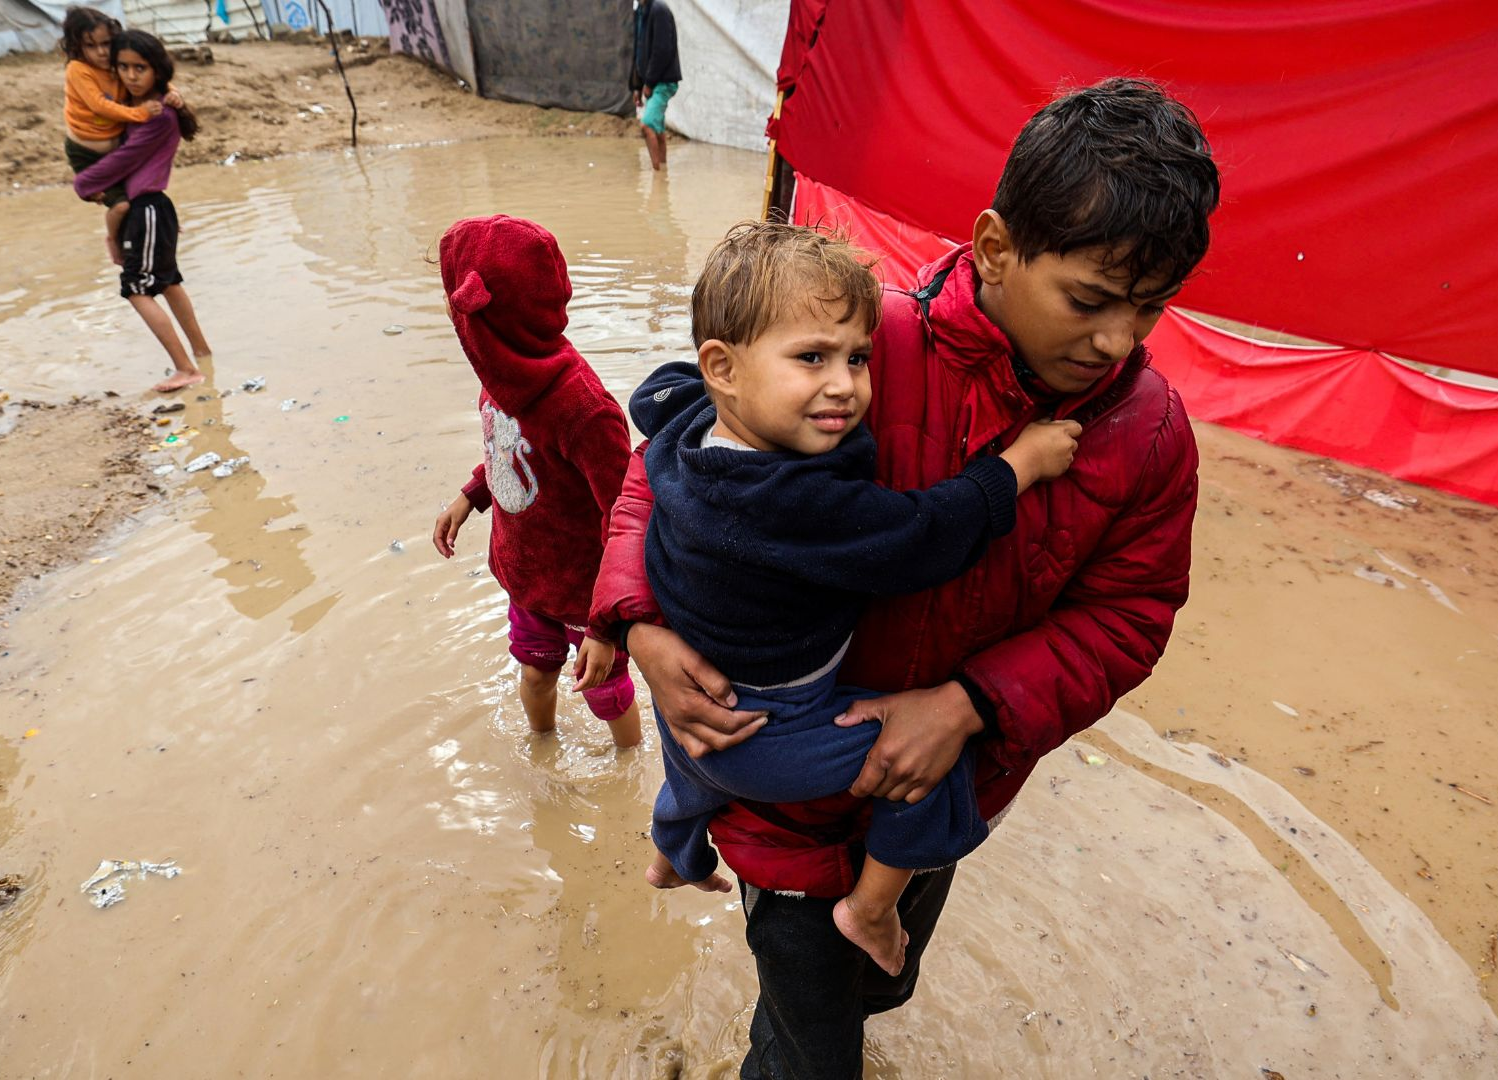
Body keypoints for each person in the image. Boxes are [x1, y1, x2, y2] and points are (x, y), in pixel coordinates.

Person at [589, 77, 1219, 1077]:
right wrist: (638, 624)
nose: (1118, 341)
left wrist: (971, 704)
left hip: (951, 782)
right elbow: (672, 466)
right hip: (785, 796)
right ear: (998, 248)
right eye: (1091, 301)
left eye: (1150, 309)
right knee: (806, 1038)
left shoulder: (1147, 438)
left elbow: (1130, 616)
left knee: (880, 981)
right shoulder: (857, 348)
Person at [632, 222, 1083, 977]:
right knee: (932, 764)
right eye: (812, 357)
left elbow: (654, 393)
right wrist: (1020, 464)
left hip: (688, 701)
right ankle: (869, 911)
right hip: (770, 727)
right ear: (724, 368)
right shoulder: (782, 500)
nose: (845, 384)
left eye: (859, 357)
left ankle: (671, 852)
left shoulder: (687, 421)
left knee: (692, 769)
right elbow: (919, 536)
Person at [429, 215, 642, 748]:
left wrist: (604, 627)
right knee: (534, 674)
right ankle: (542, 752)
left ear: (479, 318)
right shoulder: (499, 377)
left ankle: (626, 773)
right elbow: (510, 452)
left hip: (584, 594)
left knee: (605, 691)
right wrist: (471, 495)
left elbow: (626, 518)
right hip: (526, 577)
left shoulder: (583, 412)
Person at [73, 30, 210, 395]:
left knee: (136, 289)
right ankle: (202, 354)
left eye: (140, 68)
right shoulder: (150, 107)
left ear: (157, 70)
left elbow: (123, 160)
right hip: (154, 209)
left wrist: (83, 184)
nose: (131, 76)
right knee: (167, 282)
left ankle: (186, 369)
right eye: (124, 67)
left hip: (147, 207)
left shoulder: (157, 115)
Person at [57, 7, 180, 266]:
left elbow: (151, 75)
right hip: (87, 154)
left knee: (140, 194)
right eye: (91, 46)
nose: (101, 52)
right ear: (77, 47)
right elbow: (100, 105)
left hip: (115, 148)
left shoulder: (115, 67)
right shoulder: (78, 70)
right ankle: (113, 240)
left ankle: (160, 230)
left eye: (106, 44)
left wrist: (172, 92)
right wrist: (141, 114)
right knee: (122, 206)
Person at [629, 0, 682, 170]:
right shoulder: (640, 12)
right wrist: (636, 86)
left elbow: (662, 50)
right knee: (657, 128)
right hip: (653, 81)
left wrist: (649, 83)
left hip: (663, 81)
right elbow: (638, 51)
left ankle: (657, 176)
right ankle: (663, 171)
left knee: (647, 125)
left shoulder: (659, 10)